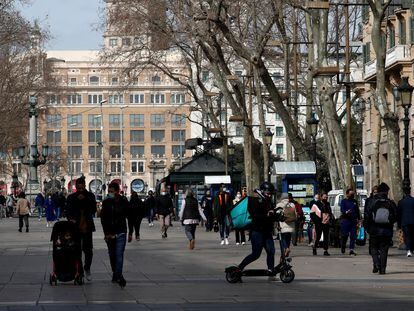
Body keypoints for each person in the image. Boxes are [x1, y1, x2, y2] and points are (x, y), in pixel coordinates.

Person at [236, 182, 278, 280]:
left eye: (271, 193)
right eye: (268, 193)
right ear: (262, 191)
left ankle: (271, 270)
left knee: (271, 251)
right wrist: (266, 215)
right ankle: (239, 268)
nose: (270, 195)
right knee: (256, 254)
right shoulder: (254, 200)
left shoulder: (269, 201)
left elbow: (271, 214)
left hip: (267, 231)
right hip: (257, 231)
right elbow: (254, 216)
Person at [66, 176, 97, 281]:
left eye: (82, 188)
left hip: (87, 227)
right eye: (78, 188)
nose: (80, 190)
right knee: (77, 250)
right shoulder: (71, 197)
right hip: (75, 227)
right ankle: (80, 271)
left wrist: (85, 200)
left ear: (84, 186)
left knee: (88, 250)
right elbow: (68, 211)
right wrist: (71, 219)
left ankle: (87, 267)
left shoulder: (90, 196)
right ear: (76, 187)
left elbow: (93, 210)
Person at [101, 182, 131, 287]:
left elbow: (129, 216)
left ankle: (118, 276)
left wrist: (131, 232)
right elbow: (103, 219)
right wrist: (106, 233)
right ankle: (116, 273)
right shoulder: (106, 202)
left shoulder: (124, 201)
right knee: (112, 255)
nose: (109, 193)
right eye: (108, 192)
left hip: (121, 231)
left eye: (111, 192)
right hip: (109, 232)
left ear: (118, 192)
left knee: (119, 255)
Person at [364, 182, 397, 274]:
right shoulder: (390, 203)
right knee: (384, 249)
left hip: (374, 229)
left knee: (373, 248)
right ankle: (383, 269)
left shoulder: (372, 202)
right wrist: (390, 223)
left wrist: (367, 227)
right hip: (386, 230)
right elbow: (395, 216)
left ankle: (376, 263)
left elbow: (367, 215)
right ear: (386, 192)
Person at [340, 189, 361, 256]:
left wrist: (359, 219)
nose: (352, 195)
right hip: (346, 220)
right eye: (350, 194)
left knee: (353, 236)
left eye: (353, 194)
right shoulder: (344, 201)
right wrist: (346, 212)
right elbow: (342, 209)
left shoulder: (354, 201)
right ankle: (343, 246)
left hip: (353, 221)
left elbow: (357, 211)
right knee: (345, 235)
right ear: (347, 194)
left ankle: (351, 249)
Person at [278, 193, 297, 257]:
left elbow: (277, 214)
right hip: (291, 225)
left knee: (282, 238)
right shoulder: (292, 204)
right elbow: (295, 214)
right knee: (288, 238)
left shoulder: (279, 204)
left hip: (283, 224)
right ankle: (287, 249)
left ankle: (286, 248)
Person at [397, 189, 414, 257]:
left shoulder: (401, 202)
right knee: (412, 235)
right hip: (413, 221)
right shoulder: (413, 200)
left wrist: (399, 224)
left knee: (407, 236)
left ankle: (409, 250)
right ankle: (412, 248)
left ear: (404, 193)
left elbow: (399, 214)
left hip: (405, 222)